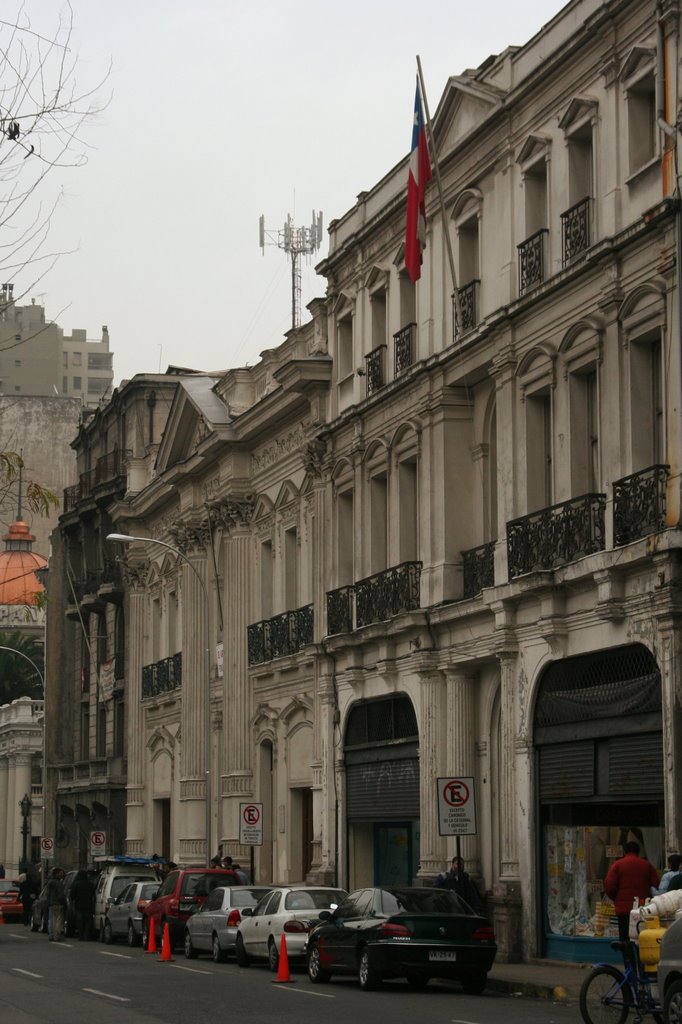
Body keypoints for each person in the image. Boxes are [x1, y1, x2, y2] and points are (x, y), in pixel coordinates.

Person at [604, 840, 659, 951]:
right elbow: (656, 884)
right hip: (643, 908)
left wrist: (618, 898)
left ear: (624, 851)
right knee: (642, 938)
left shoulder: (617, 865)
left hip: (624, 910)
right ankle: (642, 963)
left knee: (625, 940)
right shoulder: (647, 865)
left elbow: (609, 885)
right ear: (638, 852)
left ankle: (629, 964)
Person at [70, 869, 96, 940]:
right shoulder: (90, 884)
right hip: (88, 905)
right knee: (87, 922)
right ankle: (86, 935)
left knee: (80, 921)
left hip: (79, 906)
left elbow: (72, 895)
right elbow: (93, 895)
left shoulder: (76, 884)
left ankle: (80, 935)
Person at [46, 866, 67, 941]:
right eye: (61, 873)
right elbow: (61, 895)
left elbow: (47, 894)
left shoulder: (50, 883)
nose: (62, 874)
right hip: (58, 904)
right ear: (56, 874)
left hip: (51, 904)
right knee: (58, 920)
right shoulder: (59, 884)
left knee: (52, 920)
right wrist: (64, 903)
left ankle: (51, 935)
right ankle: (57, 935)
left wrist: (48, 902)